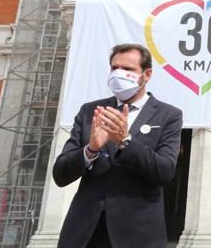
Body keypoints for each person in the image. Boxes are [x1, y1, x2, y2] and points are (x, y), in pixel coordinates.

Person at [52, 43, 183, 248]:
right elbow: (60, 174)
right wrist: (91, 150)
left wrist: (126, 141)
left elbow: (165, 171)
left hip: (137, 234)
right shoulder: (90, 111)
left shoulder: (168, 115)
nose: (118, 74)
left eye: (128, 69)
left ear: (146, 75)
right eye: (114, 68)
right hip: (85, 232)